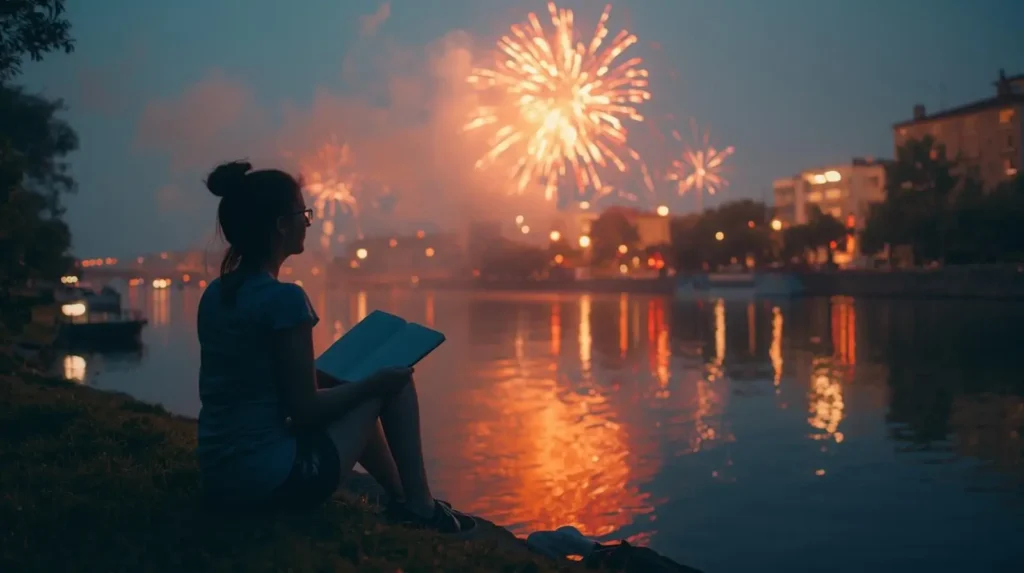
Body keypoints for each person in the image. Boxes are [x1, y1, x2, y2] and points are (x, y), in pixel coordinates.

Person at [196, 160, 474, 534]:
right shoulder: (285, 301)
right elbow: (305, 410)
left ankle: (403, 500)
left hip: (221, 474)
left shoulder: (217, 295)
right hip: (271, 483)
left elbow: (259, 380)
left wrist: (343, 381)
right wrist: (372, 384)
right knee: (393, 382)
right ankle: (421, 507)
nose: (307, 221)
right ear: (280, 225)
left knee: (361, 384)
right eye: (302, 213)